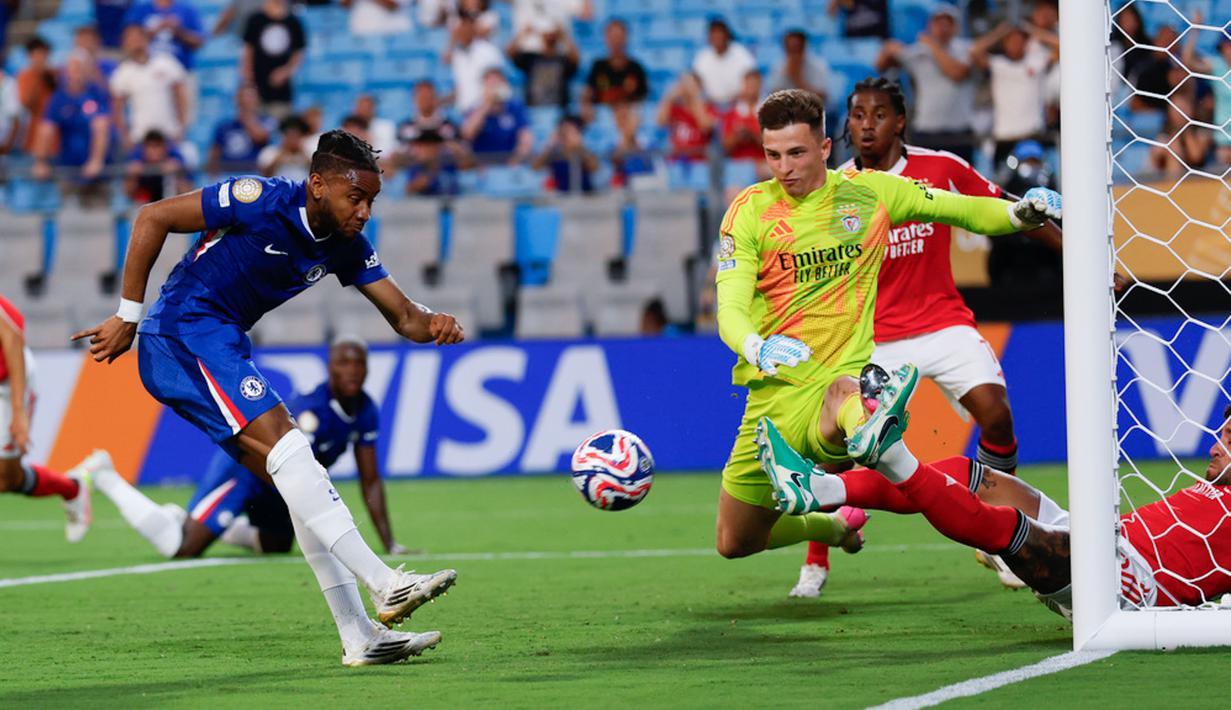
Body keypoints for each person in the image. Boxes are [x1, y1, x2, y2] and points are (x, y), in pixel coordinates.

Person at [71, 129, 466, 666]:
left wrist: (435, 323)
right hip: (181, 331)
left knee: (295, 480)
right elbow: (151, 217)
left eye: (371, 200)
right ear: (318, 184)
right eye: (357, 198)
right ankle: (382, 580)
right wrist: (127, 316)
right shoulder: (258, 199)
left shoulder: (348, 246)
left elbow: (404, 317)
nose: (365, 212)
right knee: (290, 447)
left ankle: (361, 637)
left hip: (221, 339)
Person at [711, 88, 1061, 567]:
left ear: (825, 149)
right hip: (773, 394)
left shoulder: (868, 193)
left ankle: (867, 427)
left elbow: (960, 209)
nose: (784, 167)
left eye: (796, 152)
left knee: (846, 401)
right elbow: (729, 307)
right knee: (736, 541)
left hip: (843, 378)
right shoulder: (750, 211)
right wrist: (755, 345)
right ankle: (833, 525)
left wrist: (1017, 214)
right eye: (773, 155)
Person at [761, 384, 1231, 617]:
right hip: (1105, 540)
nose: (1214, 444)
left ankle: (890, 457)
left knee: (1002, 525)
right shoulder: (1217, 482)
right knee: (970, 475)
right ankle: (825, 489)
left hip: (1127, 584)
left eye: (1228, 437)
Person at [93, 335, 412, 558]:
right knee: (183, 547)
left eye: (359, 364)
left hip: (280, 484)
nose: (352, 370)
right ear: (330, 368)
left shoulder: (366, 409)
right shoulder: (312, 410)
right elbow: (291, 468)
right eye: (344, 363)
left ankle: (223, 526)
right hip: (246, 471)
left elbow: (370, 478)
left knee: (276, 544)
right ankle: (107, 478)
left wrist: (390, 543)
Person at [0, 294, 93, 543]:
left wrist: (18, 411)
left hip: (9, 381)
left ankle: (71, 488)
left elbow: (11, 338)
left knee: (7, 479)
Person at [875, 3, 976, 161]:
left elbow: (956, 73)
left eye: (947, 24)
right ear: (930, 26)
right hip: (927, 132)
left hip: (959, 133)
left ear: (955, 27)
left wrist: (932, 45)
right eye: (938, 23)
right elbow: (881, 64)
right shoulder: (919, 51)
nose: (942, 28)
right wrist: (889, 48)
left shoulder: (966, 49)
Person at [110, 24, 189, 154]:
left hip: (168, 133)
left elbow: (181, 96)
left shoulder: (166, 63)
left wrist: (182, 126)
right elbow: (117, 108)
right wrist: (124, 136)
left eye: (137, 38)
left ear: (145, 38)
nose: (134, 42)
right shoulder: (123, 72)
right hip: (139, 137)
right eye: (130, 39)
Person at [241, 0, 306, 119]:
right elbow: (248, 51)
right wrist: (248, 77)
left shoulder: (293, 21)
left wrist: (285, 72)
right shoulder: (255, 19)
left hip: (282, 91)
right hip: (257, 86)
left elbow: (299, 53)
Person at [208, 84, 276, 175]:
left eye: (250, 97)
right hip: (227, 174)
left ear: (258, 100)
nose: (246, 100)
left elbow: (260, 137)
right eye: (242, 97)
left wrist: (247, 116)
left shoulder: (267, 121)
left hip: (254, 173)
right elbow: (214, 154)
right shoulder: (224, 126)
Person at [691, 17, 756, 106]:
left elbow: (752, 81)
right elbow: (695, 84)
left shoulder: (741, 54)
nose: (717, 37)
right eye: (713, 34)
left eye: (719, 33)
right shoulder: (702, 57)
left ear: (727, 35)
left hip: (738, 104)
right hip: (710, 106)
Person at [531, 114, 598, 194]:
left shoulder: (584, 151)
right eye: (564, 132)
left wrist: (580, 147)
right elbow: (535, 167)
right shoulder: (554, 153)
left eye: (571, 132)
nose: (567, 135)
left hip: (585, 197)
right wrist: (550, 145)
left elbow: (595, 168)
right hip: (562, 198)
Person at [766, 30, 831, 105]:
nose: (794, 55)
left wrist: (798, 79)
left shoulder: (818, 66)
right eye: (790, 50)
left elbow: (823, 98)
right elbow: (772, 98)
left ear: (804, 48)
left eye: (797, 49)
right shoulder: (778, 67)